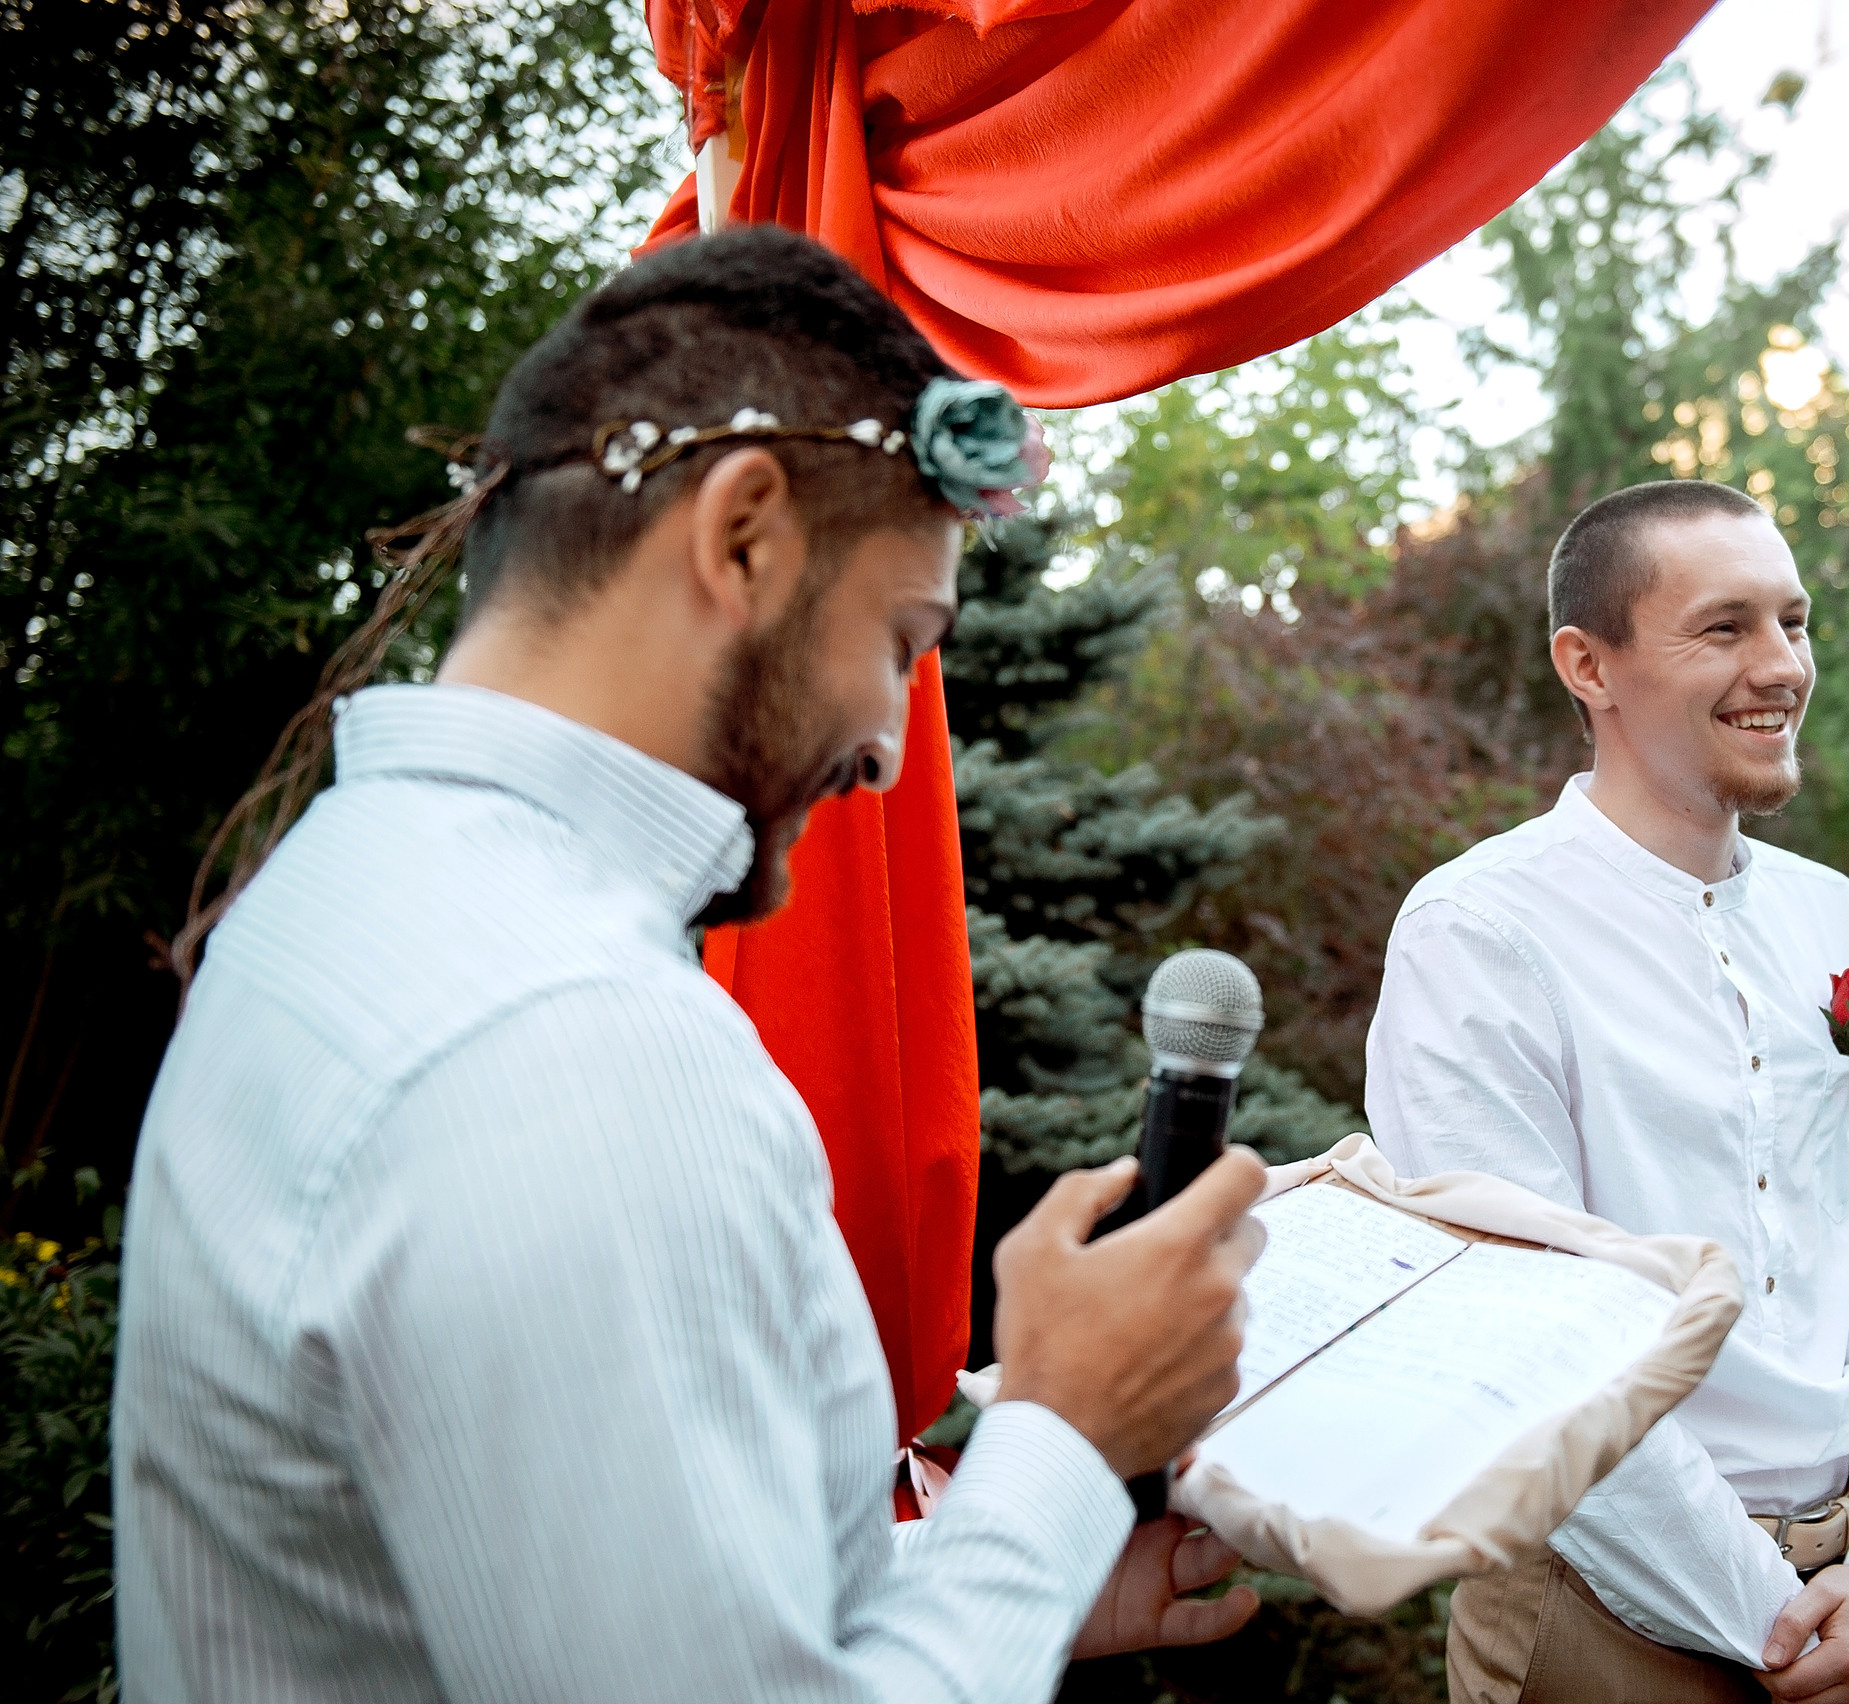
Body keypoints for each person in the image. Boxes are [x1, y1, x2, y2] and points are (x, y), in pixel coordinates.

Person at [113, 229, 1273, 1703]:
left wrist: (1018, 1565)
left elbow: (626, 1616)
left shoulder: (343, 890)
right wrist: (1062, 1428)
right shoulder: (568, 1040)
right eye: (901, 640)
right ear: (744, 539)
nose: (889, 744)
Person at [1365, 480, 1849, 1704]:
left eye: (1793, 622)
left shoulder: (1829, 915)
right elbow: (1532, 1346)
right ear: (1587, 664)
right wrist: (1777, 1624)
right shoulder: (1479, 931)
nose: (1782, 666)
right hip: (1602, 1615)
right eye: (1725, 627)